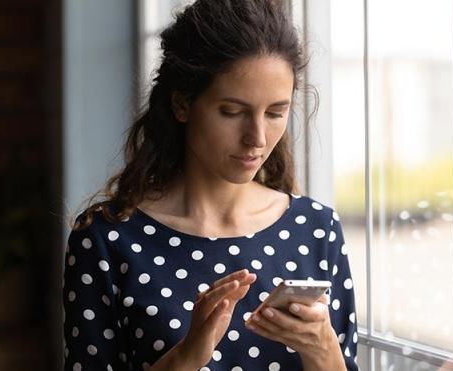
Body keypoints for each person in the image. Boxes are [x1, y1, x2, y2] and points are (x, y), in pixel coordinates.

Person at [62, 0, 358, 370]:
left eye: (275, 113)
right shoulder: (108, 239)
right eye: (232, 112)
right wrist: (186, 357)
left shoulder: (316, 229)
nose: (258, 138)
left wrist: (323, 351)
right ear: (182, 104)